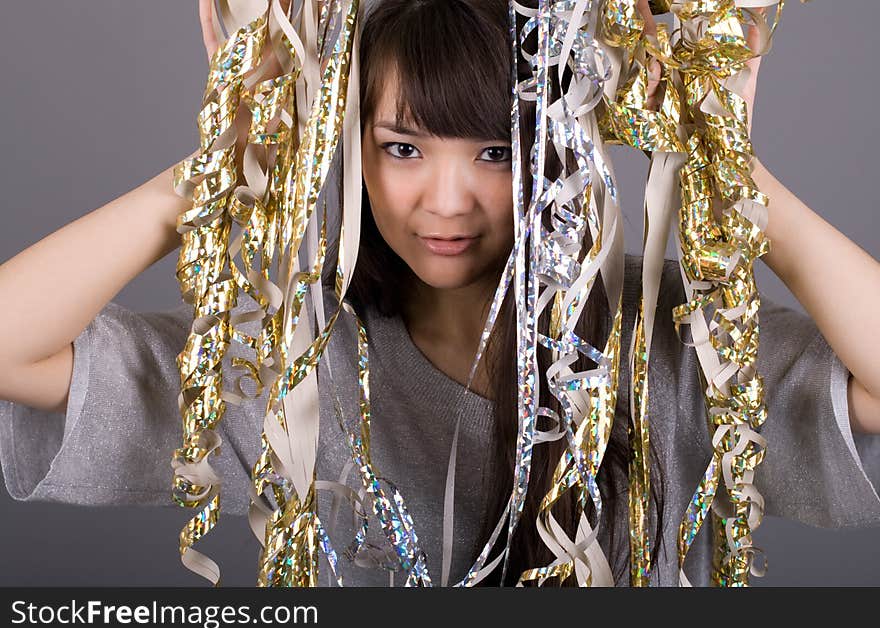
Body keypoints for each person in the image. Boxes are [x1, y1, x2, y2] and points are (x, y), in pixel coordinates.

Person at [0, 0, 879, 587]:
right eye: (404, 147)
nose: (445, 201)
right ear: (349, 147)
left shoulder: (667, 346)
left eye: (495, 152)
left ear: (555, 154)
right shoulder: (293, 363)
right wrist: (221, 164)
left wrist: (732, 175)